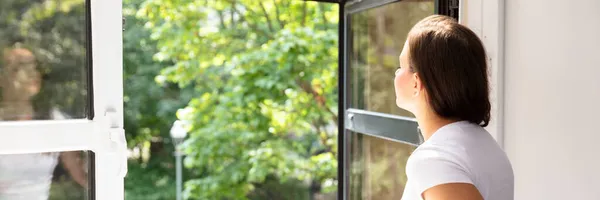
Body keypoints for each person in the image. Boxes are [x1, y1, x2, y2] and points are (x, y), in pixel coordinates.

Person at [395, 15, 514, 200]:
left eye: (400, 66)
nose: (396, 73)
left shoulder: (434, 159)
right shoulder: (483, 143)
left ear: (416, 83)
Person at [0, 48, 88, 200]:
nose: (31, 72)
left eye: (34, 66)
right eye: (19, 67)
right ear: (1, 78)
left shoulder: (52, 120)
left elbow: (84, 177)